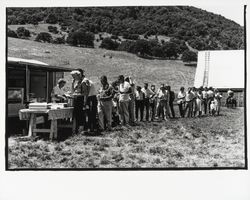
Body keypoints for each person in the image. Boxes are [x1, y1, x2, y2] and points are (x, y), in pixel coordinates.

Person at [70, 70, 89, 134]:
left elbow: (86, 93)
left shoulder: (83, 82)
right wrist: (72, 84)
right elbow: (73, 91)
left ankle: (81, 129)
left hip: (81, 100)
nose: (73, 78)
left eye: (74, 76)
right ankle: (77, 129)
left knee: (80, 114)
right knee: (76, 114)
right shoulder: (78, 82)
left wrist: (77, 95)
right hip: (76, 99)